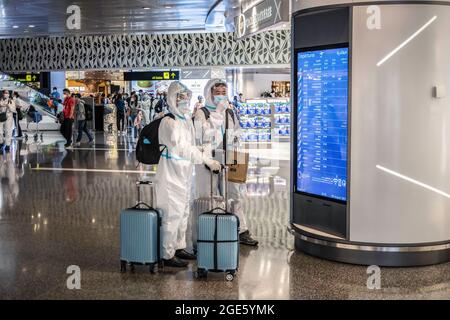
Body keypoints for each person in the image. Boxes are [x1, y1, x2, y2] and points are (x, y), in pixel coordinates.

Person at [156, 81, 221, 268]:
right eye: (181, 97)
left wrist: (204, 149)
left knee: (183, 211)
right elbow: (182, 148)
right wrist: (205, 159)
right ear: (172, 99)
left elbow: (191, 145)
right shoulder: (168, 122)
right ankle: (166, 255)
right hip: (170, 176)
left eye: (186, 97)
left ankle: (179, 247)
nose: (185, 101)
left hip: (184, 174)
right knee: (172, 215)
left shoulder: (185, 120)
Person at [193, 79, 259, 246]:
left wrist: (236, 138)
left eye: (224, 93)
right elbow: (202, 138)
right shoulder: (202, 113)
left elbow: (237, 130)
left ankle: (241, 230)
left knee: (235, 195)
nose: (221, 96)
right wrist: (216, 115)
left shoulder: (229, 112)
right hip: (209, 161)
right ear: (210, 93)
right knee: (210, 196)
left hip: (230, 158)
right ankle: (211, 231)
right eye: (218, 93)